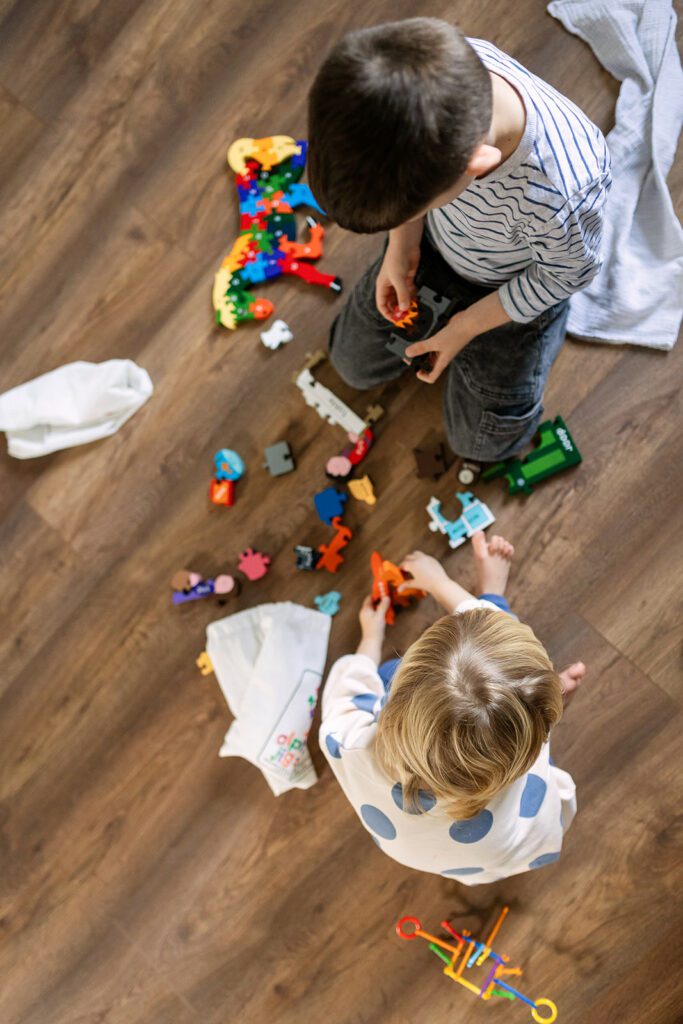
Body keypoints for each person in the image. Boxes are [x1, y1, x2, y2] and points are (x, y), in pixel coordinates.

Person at [307, 19, 611, 460]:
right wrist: (401, 245)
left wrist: (466, 327)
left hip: (516, 288)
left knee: (480, 444)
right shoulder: (429, 68)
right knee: (350, 364)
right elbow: (410, 185)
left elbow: (565, 274)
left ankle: (542, 331)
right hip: (435, 249)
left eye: (411, 210)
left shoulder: (565, 193)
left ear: (477, 165)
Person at [319, 532, 585, 881]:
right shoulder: (518, 759)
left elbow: (350, 684)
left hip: (435, 851)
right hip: (512, 841)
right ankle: (533, 701)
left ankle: (529, 694)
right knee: (504, 715)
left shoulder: (347, 742)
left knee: (385, 672)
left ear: (397, 707)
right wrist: (447, 584)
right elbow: (497, 639)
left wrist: (371, 637)